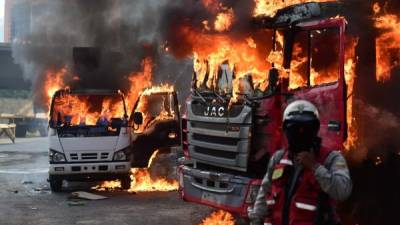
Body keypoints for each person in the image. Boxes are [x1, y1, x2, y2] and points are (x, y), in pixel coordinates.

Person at [249, 100, 352, 225]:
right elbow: (264, 192)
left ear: (315, 129)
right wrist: (256, 219)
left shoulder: (331, 159)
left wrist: (315, 166)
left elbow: (342, 192)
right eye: (294, 129)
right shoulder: (278, 158)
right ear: (286, 130)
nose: (300, 133)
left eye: (306, 129)